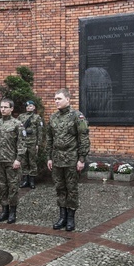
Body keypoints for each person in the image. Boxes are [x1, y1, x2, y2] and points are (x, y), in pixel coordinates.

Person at [45, 88, 91, 231]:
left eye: (59, 98)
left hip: (71, 159)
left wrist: (82, 159)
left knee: (71, 189)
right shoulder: (53, 117)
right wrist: (49, 157)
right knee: (60, 188)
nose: (56, 101)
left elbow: (84, 138)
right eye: (55, 99)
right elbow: (49, 139)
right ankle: (62, 217)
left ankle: (71, 218)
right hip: (57, 159)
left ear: (68, 99)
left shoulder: (77, 116)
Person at [0, 99, 25, 224]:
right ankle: (4, 210)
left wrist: (18, 159)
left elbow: (22, 143)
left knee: (13, 187)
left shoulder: (17, 124)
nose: (2, 109)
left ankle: (12, 212)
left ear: (11, 109)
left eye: (5, 107)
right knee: (2, 187)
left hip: (12, 161)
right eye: (1, 107)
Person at [17, 100, 44, 189]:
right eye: (27, 106)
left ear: (34, 107)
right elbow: (18, 129)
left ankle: (32, 181)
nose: (28, 107)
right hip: (23, 142)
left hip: (32, 143)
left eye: (31, 106)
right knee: (24, 162)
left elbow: (40, 132)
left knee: (32, 162)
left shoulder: (37, 117)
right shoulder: (21, 117)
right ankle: (25, 180)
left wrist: (38, 144)